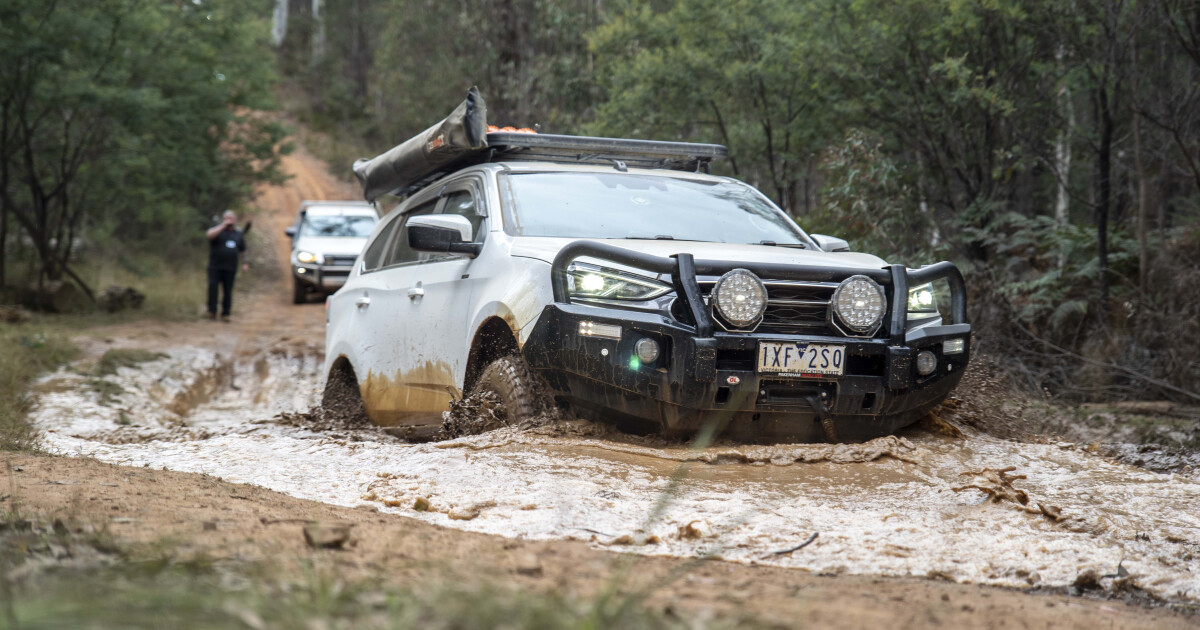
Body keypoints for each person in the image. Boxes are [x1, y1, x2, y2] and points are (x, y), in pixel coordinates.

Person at [205, 210, 248, 321]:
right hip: (215, 266)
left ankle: (226, 313)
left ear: (235, 220)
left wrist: (245, 263)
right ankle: (211, 311)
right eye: (227, 218)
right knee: (213, 288)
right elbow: (209, 235)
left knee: (228, 290)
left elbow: (243, 250)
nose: (229, 221)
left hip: (230, 267)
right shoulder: (217, 230)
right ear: (223, 219)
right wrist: (223, 226)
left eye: (231, 218)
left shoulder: (238, 234)